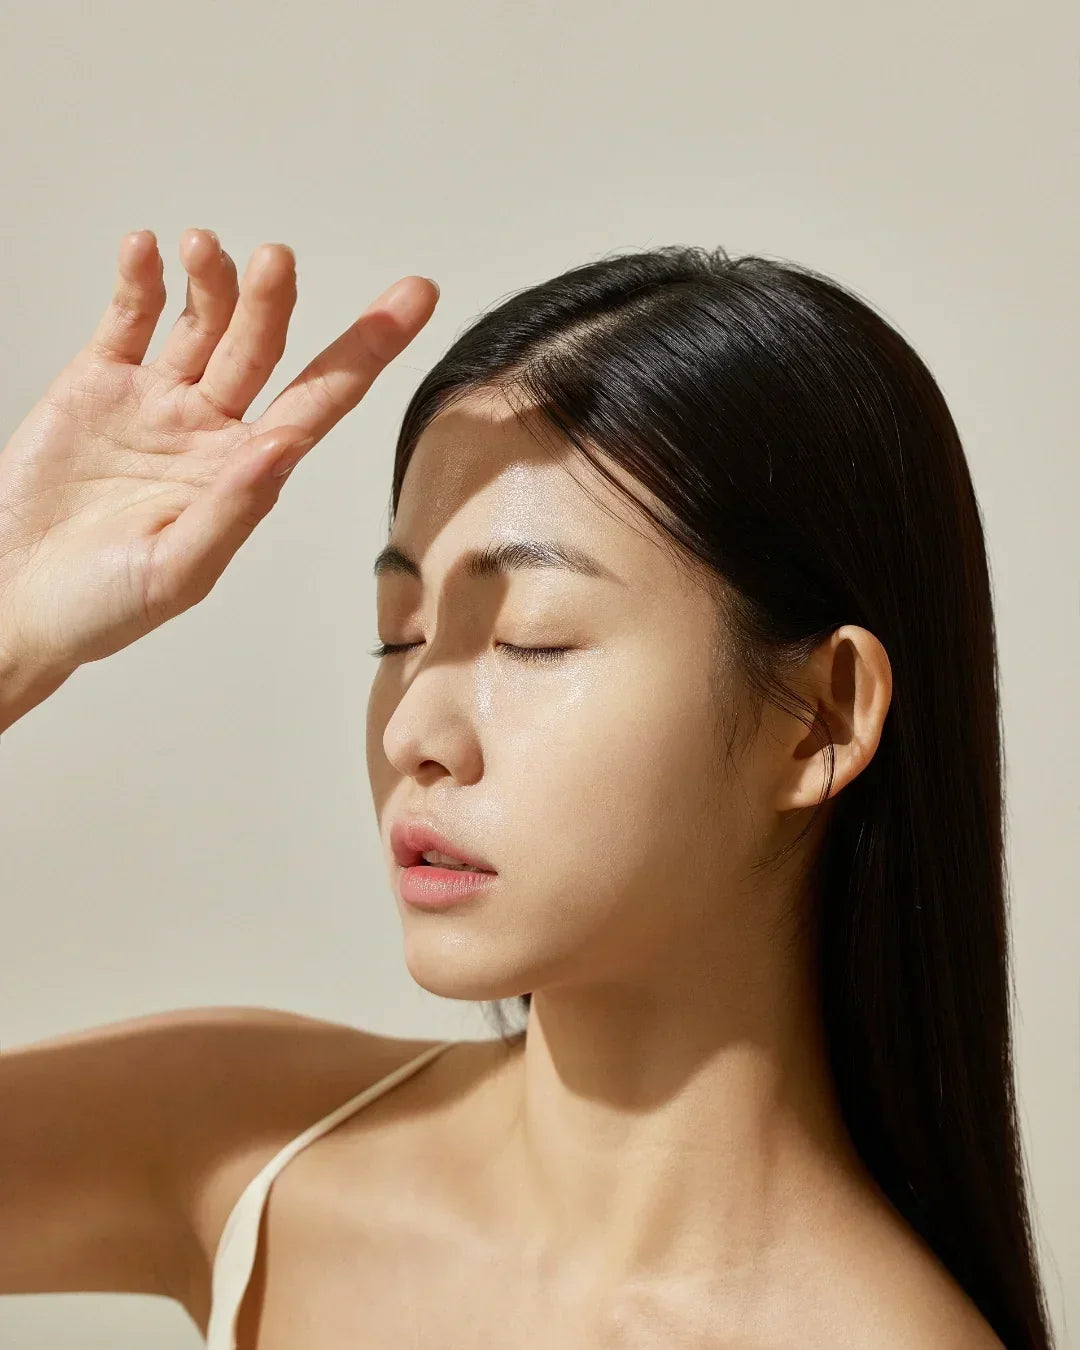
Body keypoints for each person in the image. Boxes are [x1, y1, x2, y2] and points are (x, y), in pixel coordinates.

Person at [0, 229, 1054, 1349]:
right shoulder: (246, 1140)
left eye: (532, 640)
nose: (416, 729)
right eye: (400, 638)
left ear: (821, 716)